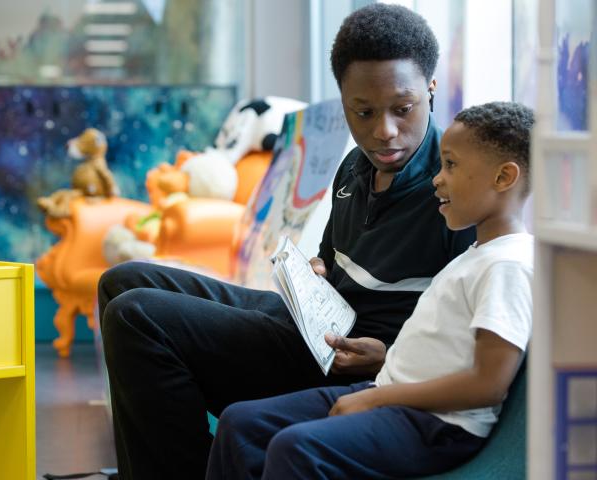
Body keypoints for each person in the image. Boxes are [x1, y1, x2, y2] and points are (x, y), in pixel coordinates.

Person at [98, 4, 475, 479]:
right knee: (123, 280)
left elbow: (468, 334)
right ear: (343, 102)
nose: (385, 131)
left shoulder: (457, 191)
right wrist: (316, 272)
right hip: (315, 327)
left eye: (403, 109)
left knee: (137, 317)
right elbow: (333, 262)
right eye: (363, 111)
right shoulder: (355, 168)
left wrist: (388, 355)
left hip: (356, 365)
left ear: (431, 90)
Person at [205, 101, 535, 479]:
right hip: (392, 394)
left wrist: (376, 397)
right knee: (242, 424)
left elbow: (486, 386)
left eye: (452, 165)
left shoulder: (508, 265)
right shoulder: (479, 255)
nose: (437, 179)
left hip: (439, 426)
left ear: (503, 177)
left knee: (296, 449)